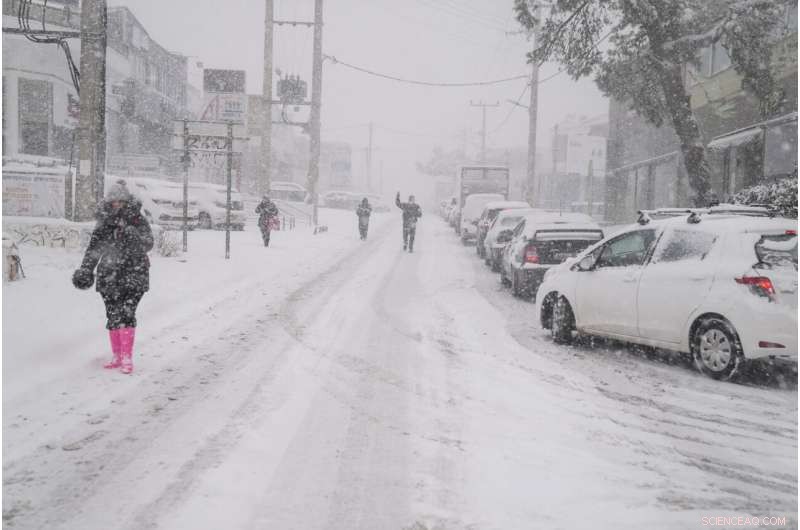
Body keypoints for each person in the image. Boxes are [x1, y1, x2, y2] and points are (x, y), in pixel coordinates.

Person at [72, 180, 154, 374]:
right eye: (113, 201)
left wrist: (135, 237)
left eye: (120, 201)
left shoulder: (137, 220)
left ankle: (127, 357)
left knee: (127, 314)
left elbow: (149, 244)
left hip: (135, 274)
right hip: (108, 275)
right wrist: (85, 269)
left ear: (126, 201)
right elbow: (94, 249)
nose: (116, 205)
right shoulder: (104, 223)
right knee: (113, 315)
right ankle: (116, 355)